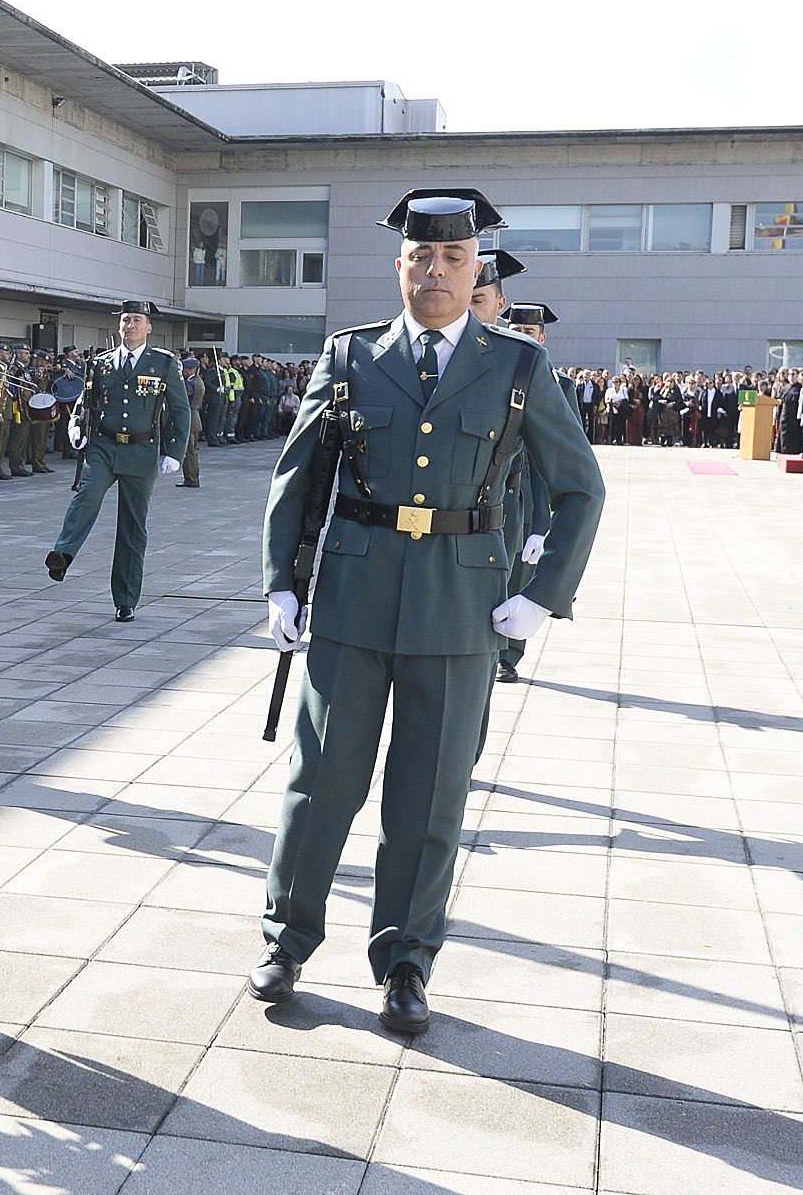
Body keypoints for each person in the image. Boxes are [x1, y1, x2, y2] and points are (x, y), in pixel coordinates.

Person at [251, 189, 604, 1036]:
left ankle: (407, 960)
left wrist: (541, 592)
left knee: (428, 798)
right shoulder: (348, 357)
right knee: (318, 782)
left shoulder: (517, 365)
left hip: (459, 607)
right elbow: (297, 481)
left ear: (474, 267)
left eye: (452, 259)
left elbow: (578, 485)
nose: (435, 271)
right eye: (421, 257)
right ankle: (285, 939)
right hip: (352, 599)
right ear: (399, 265)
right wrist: (280, 583)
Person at [47, 302, 192, 622]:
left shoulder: (164, 363)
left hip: (141, 451)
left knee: (132, 527)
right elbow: (87, 400)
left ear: (148, 327)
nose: (130, 326)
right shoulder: (102, 364)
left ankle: (125, 599)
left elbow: (181, 410)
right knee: (87, 495)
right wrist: (75, 426)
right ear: (119, 326)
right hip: (103, 445)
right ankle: (63, 553)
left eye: (137, 321)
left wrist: (175, 452)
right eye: (126, 320)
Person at [497, 295, 554, 685]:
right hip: (487, 501)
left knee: (516, 582)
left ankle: (509, 656)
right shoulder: (494, 376)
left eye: (529, 333)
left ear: (542, 338)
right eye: (516, 331)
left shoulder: (554, 385)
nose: (523, 338)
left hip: (523, 503)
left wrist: (541, 524)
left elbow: (552, 469)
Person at [178, 355, 206, 487]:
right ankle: (192, 477)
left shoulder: (191, 383)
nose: (183, 371)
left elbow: (183, 399)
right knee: (192, 450)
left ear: (191, 370)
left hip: (190, 418)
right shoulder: (197, 380)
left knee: (189, 451)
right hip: (195, 418)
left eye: (185, 369)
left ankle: (191, 479)